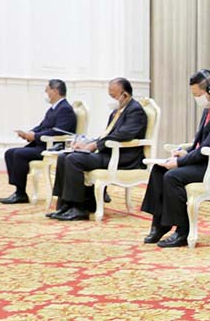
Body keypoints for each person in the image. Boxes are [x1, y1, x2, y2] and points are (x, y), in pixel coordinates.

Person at [140, 69, 210, 248]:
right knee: (159, 169)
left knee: (172, 176)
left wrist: (179, 162)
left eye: (197, 94)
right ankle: (160, 225)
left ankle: (182, 231)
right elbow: (202, 144)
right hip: (206, 159)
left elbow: (208, 148)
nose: (196, 98)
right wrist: (185, 153)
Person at [48, 77, 148, 221]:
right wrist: (86, 143)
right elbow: (106, 135)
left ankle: (79, 208)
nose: (111, 99)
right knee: (64, 156)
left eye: (113, 96)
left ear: (125, 95)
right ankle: (65, 206)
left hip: (122, 157)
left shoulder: (135, 110)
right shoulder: (117, 112)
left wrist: (94, 145)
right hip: (108, 153)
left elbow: (123, 134)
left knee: (74, 159)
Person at [0, 79, 76, 204]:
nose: (46, 92)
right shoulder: (54, 109)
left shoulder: (65, 109)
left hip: (53, 147)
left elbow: (58, 131)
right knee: (9, 152)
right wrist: (29, 133)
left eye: (47, 90)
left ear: (55, 91)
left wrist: (35, 136)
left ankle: (20, 194)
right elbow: (42, 126)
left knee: (19, 154)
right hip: (42, 144)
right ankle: (19, 191)